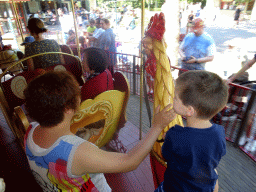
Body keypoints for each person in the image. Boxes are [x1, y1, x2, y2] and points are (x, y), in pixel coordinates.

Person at [24, 70, 176, 192]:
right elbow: (130, 161)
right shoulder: (76, 152)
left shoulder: (31, 131)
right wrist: (157, 126)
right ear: (68, 108)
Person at [154, 70, 228, 192]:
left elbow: (165, 155)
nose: (172, 99)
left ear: (189, 110)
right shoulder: (220, 133)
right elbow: (214, 156)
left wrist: (168, 139)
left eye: (175, 98)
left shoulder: (175, 134)